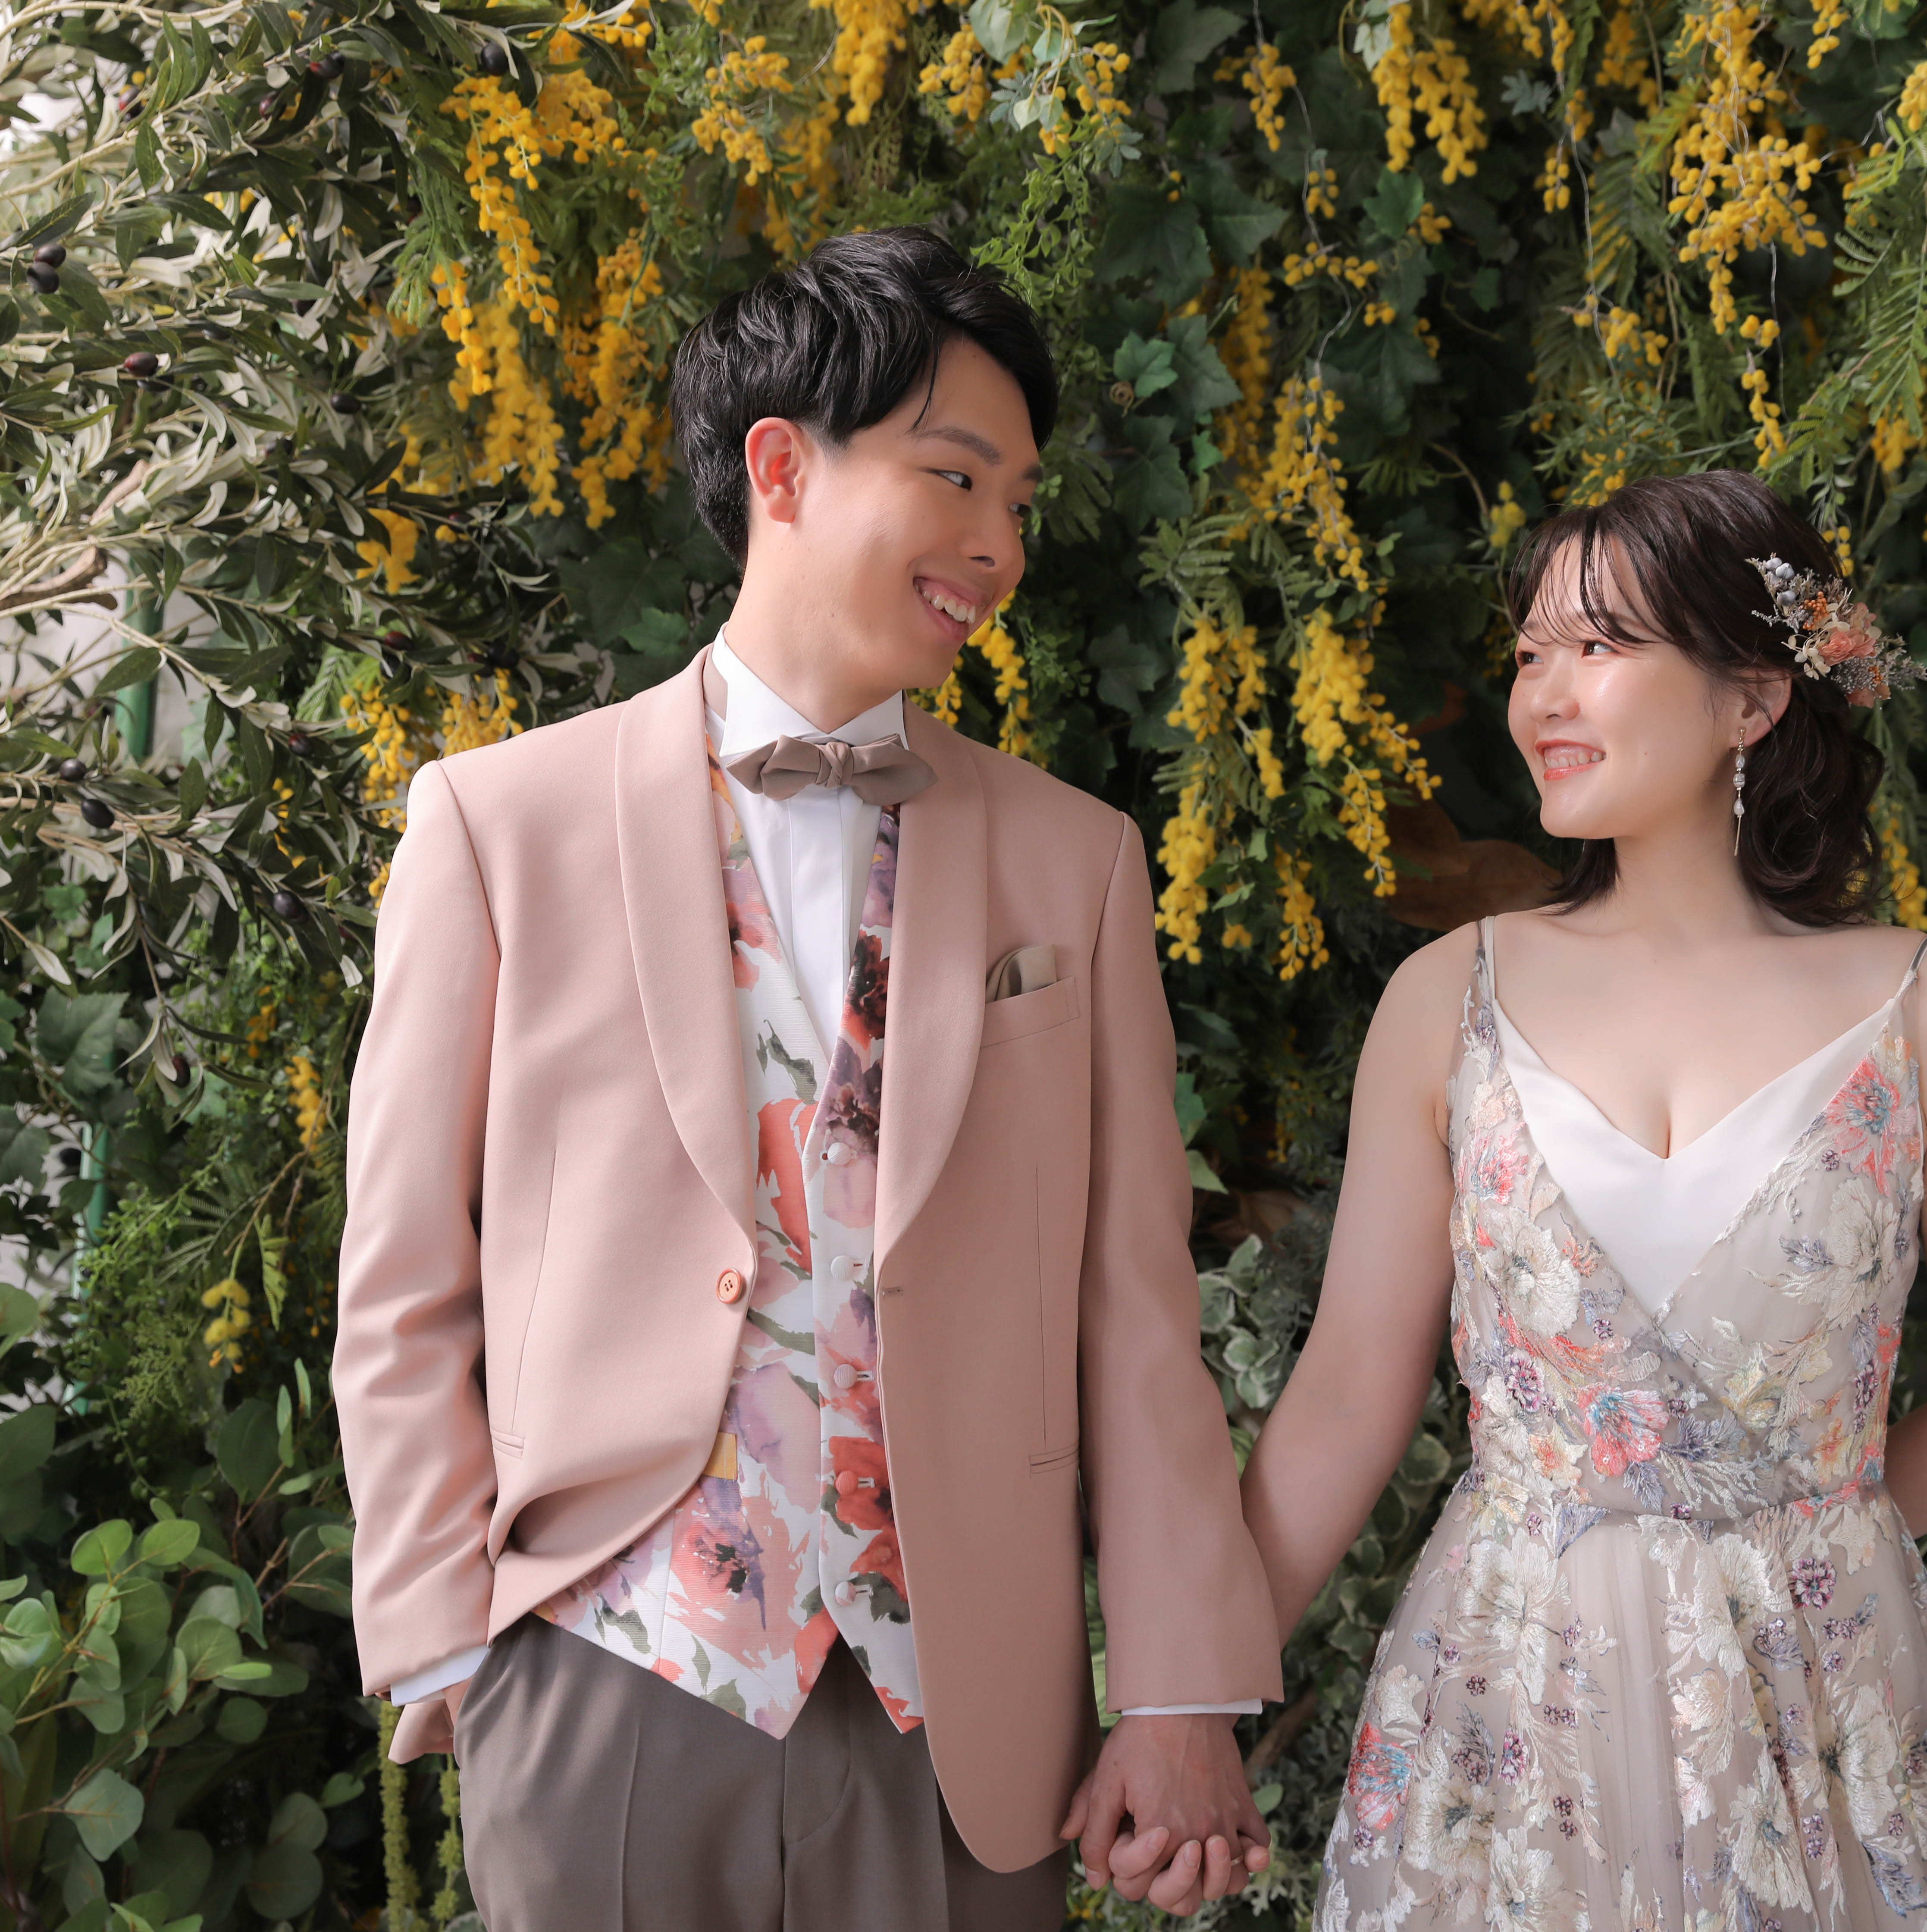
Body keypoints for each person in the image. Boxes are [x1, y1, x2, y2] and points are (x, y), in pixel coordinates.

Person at [333, 228, 1281, 1931]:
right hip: (610, 1671)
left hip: (964, 1710)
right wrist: (451, 1646)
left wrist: (1175, 1685)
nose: (999, 545)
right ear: (780, 467)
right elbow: (403, 1278)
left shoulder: (1075, 862)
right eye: (954, 477)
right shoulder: (498, 825)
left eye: (1019, 502)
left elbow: (1136, 1308)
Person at [1232, 470, 1927, 1928]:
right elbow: (1348, 1397)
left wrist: (1810, 1535)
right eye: (1530, 653)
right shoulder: (1449, 999)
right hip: (1512, 1701)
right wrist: (1185, 1704)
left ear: (1753, 698)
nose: (1545, 696)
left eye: (1601, 646)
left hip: (1825, 1703)